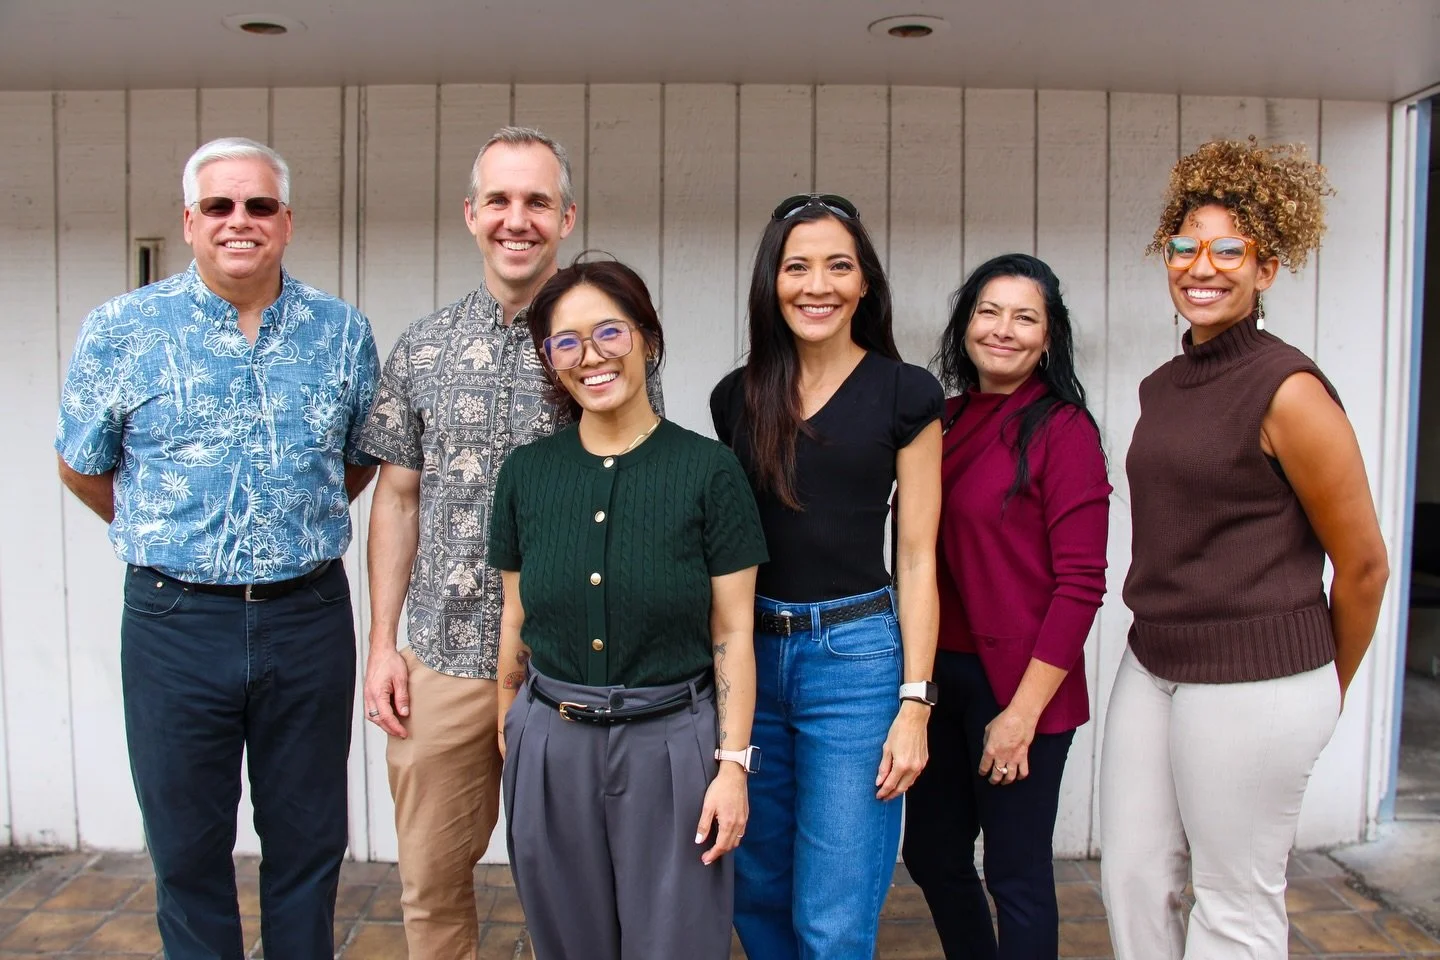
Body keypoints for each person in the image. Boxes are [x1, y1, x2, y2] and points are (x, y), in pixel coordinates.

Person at [54, 136, 380, 959]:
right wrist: (171, 529)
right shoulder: (123, 330)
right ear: (190, 221)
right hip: (174, 622)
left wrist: (280, 527)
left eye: (260, 205)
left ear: (286, 221)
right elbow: (82, 465)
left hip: (307, 616)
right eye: (220, 205)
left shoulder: (341, 333)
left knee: (309, 842)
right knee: (187, 848)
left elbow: (354, 461)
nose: (241, 220)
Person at [358, 126, 663, 960]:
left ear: (567, 217)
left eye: (537, 201)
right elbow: (397, 499)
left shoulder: (606, 347)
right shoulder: (423, 347)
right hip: (447, 660)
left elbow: (640, 489)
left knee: (579, 887)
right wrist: (383, 645)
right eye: (499, 200)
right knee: (430, 883)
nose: (516, 219)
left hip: (574, 666)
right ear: (471, 214)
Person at [1099, 138, 1390, 959]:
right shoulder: (1164, 385)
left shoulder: (1288, 390)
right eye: (1184, 247)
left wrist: (1323, 687)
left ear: (1267, 269)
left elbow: (1365, 565)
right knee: (1132, 878)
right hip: (1154, 661)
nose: (1202, 266)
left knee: (1234, 903)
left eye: (1230, 250)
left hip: (1257, 678)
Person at [488, 258, 767, 959]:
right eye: (566, 342)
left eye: (609, 332)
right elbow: (515, 616)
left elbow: (733, 631)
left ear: (647, 337)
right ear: (550, 360)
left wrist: (732, 766)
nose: (591, 357)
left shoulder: (709, 471)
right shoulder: (526, 473)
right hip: (551, 740)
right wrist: (511, 728)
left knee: (677, 944)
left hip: (672, 744)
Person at [711, 193, 943, 959]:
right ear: (771, 282)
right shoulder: (736, 398)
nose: (818, 285)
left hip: (856, 662)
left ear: (864, 282)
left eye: (838, 266)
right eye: (797, 267)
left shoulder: (907, 393)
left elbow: (918, 556)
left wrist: (914, 702)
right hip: (754, 660)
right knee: (757, 893)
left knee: (833, 915)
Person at [901, 253, 1111, 959]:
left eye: (1025, 318)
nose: (1003, 329)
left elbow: (1081, 584)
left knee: (1015, 875)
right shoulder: (943, 420)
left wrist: (1021, 717)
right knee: (933, 856)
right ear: (965, 325)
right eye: (988, 312)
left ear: (1048, 338)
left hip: (1022, 685)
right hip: (940, 678)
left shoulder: (1064, 430)